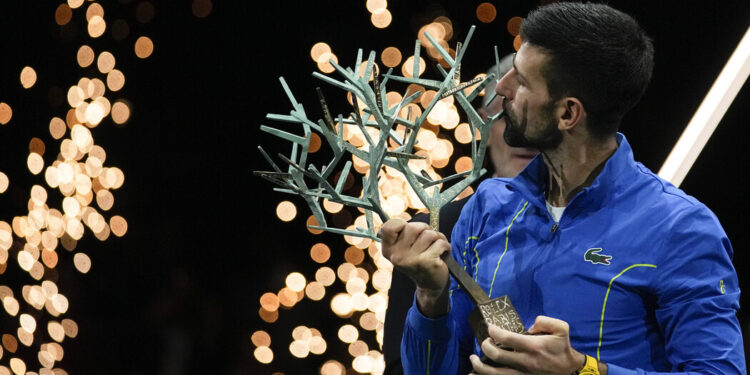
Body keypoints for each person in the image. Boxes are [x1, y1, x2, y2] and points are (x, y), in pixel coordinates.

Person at [381, 3, 745, 375]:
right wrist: (430, 297)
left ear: (568, 113)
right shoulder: (487, 207)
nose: (502, 88)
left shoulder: (682, 228)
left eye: (521, 81)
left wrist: (581, 370)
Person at [382, 56, 538, 375]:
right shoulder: (427, 235)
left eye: (531, 121)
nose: (518, 137)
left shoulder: (586, 221)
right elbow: (400, 368)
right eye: (504, 118)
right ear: (481, 122)